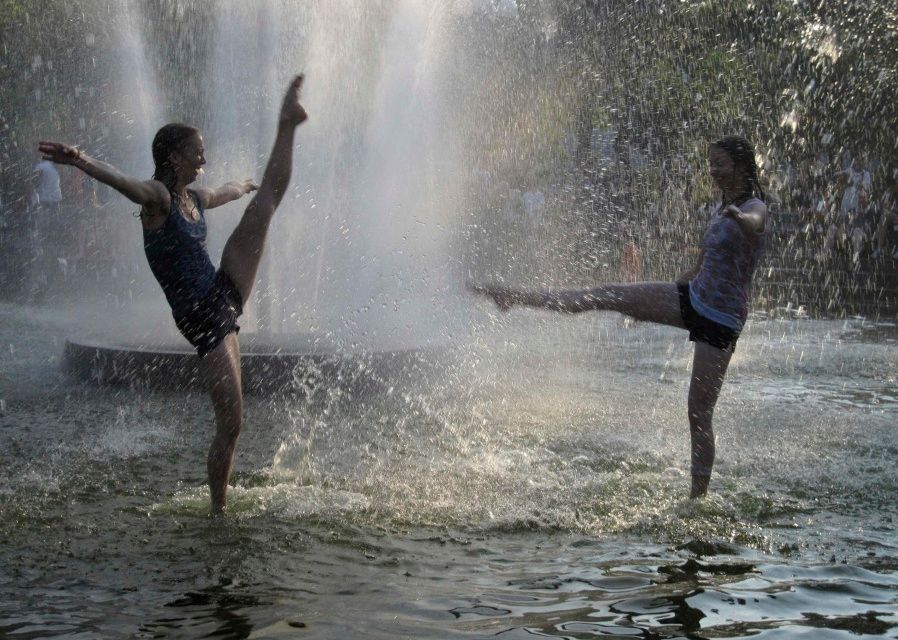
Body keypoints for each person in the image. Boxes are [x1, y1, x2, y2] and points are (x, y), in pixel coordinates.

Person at [38, 75, 309, 513]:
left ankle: (287, 123)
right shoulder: (158, 199)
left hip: (223, 291)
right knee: (232, 422)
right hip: (201, 317)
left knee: (266, 203)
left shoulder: (192, 197)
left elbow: (223, 192)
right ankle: (218, 510)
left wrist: (243, 187)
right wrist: (81, 160)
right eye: (197, 149)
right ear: (174, 156)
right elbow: (124, 182)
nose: (204, 155)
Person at [471, 136, 770, 498]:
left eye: (719, 163)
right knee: (606, 294)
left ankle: (698, 499)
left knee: (698, 411)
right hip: (692, 297)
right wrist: (660, 295)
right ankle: (515, 297)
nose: (713, 170)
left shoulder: (753, 207)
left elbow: (756, 222)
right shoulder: (722, 207)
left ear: (740, 165)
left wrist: (742, 217)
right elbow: (702, 266)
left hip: (721, 321)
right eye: (710, 163)